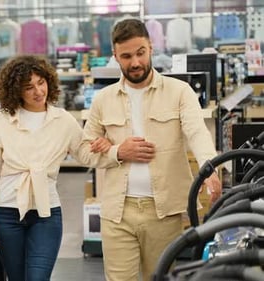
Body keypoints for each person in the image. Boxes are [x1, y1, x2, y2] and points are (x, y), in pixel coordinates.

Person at [82, 18, 222, 281]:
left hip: (163, 212)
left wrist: (210, 169)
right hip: (117, 212)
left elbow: (197, 133)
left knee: (159, 278)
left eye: (140, 53)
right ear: (115, 57)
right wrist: (118, 152)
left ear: (151, 48)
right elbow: (85, 151)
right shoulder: (103, 100)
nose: (135, 62)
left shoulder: (179, 92)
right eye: (126, 56)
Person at [0, 55, 113, 281]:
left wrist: (108, 147)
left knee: (38, 278)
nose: (38, 91)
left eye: (41, 83)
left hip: (46, 214)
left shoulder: (63, 120)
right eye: (28, 87)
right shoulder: (1, 121)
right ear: (16, 91)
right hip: (6, 214)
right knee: (16, 277)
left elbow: (85, 154)